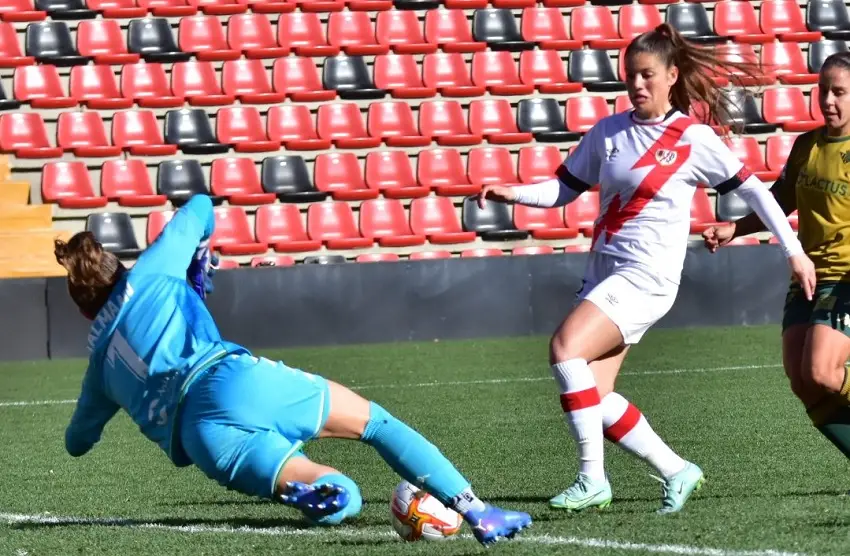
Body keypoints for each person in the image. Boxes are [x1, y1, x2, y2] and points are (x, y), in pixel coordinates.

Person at [56, 194, 531, 546]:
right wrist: (197, 256)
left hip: (204, 441)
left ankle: (319, 496)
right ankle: (478, 512)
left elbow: (76, 445)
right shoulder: (151, 273)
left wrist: (109, 393)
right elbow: (200, 204)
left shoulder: (98, 366)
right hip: (233, 382)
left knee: (342, 495)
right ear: (118, 270)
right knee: (376, 424)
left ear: (85, 312)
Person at [476, 23, 817, 514]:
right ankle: (678, 470)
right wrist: (515, 194)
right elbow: (563, 190)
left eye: (647, 75)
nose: (637, 84)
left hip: (648, 277)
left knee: (565, 349)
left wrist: (792, 250)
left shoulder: (692, 138)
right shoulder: (608, 132)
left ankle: (592, 479)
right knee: (594, 392)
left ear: (672, 75)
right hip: (606, 272)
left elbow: (756, 193)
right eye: (630, 75)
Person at [704, 51, 850, 464]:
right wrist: (734, 228)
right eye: (823, 91)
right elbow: (779, 201)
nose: (829, 101)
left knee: (822, 372)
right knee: (803, 381)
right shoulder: (806, 146)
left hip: (845, 276)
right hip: (808, 276)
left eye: (839, 92)